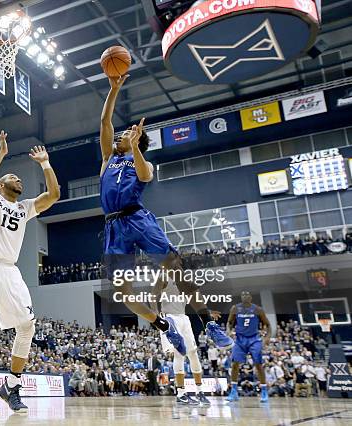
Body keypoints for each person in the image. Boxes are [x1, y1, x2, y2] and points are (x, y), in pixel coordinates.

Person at [98, 75, 231, 353]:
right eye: (121, 136)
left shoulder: (142, 162)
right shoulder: (108, 160)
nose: (120, 136)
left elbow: (145, 175)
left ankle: (209, 324)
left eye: (126, 136)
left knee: (175, 266)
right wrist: (113, 89)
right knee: (123, 293)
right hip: (113, 227)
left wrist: (135, 147)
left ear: (136, 144)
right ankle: (163, 326)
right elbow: (104, 123)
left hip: (137, 219)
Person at [0, 132, 60, 414]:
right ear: (1, 184)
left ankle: (10, 386)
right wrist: (1, 154)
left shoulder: (24, 207)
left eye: (19, 178)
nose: (18, 179)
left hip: (9, 270)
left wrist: (45, 164)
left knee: (27, 326)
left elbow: (54, 195)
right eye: (12, 176)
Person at [153, 278, 217, 406]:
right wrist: (155, 317)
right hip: (170, 317)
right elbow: (152, 296)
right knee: (179, 353)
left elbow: (196, 300)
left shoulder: (185, 281)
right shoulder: (164, 277)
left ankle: (200, 392)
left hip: (184, 318)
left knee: (193, 354)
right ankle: (181, 394)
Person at [226, 291, 272, 403]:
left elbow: (268, 324)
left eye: (247, 295)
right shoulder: (235, 308)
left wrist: (267, 338)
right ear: (241, 297)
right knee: (235, 364)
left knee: (258, 364)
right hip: (240, 339)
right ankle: (234, 391)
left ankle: (264, 391)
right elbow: (229, 322)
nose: (244, 296)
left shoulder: (257, 309)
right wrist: (228, 331)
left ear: (251, 297)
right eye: (242, 294)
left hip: (254, 339)